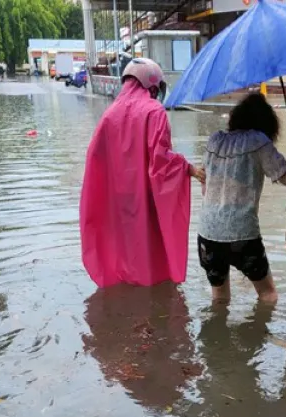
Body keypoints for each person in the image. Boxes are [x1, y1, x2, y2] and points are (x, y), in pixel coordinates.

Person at [80, 58, 205, 288]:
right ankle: (152, 299)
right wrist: (189, 169)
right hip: (145, 197)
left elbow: (95, 161)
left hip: (118, 199)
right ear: (154, 86)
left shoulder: (109, 115)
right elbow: (161, 161)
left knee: (126, 250)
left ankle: (129, 298)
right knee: (149, 251)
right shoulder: (154, 111)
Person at [198, 93, 286, 304]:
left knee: (220, 300)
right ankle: (258, 335)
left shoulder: (215, 140)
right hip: (241, 235)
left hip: (207, 234)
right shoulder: (258, 141)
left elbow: (206, 185)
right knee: (268, 295)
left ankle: (216, 336)